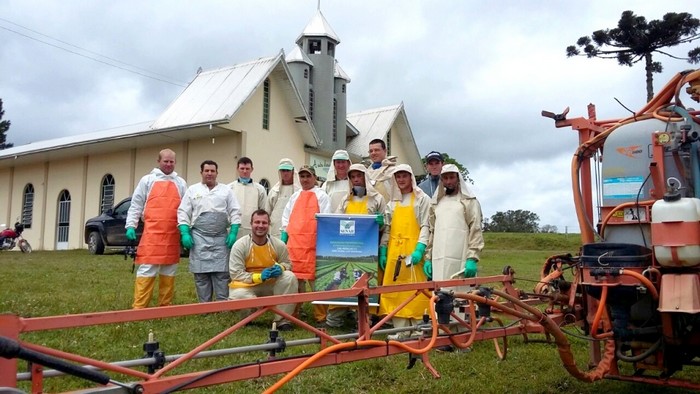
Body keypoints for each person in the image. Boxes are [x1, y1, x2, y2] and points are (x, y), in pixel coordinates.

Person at [326, 163, 387, 328]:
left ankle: (363, 320)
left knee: (366, 285)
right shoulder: (345, 200)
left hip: (368, 251)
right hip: (347, 249)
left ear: (365, 177)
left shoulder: (377, 199)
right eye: (352, 177)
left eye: (359, 176)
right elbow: (336, 221)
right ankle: (335, 318)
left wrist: (380, 223)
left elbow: (386, 225)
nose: (356, 180)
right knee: (342, 281)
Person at [126, 148, 187, 309]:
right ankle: (139, 307)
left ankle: (165, 305)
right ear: (158, 161)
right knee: (147, 268)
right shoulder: (147, 180)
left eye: (171, 161)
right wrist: (131, 225)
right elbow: (136, 204)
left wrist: (186, 231)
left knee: (169, 269)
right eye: (166, 161)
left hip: (173, 234)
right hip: (152, 234)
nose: (168, 164)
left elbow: (185, 208)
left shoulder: (180, 183)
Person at [378, 164, 431, 339]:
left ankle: (417, 329)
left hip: (414, 251)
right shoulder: (392, 203)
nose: (401, 180)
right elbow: (387, 227)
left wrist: (420, 249)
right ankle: (400, 331)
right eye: (398, 176)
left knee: (416, 289)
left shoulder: (422, 199)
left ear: (411, 178)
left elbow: (426, 226)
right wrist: (384, 250)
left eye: (404, 176)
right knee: (395, 290)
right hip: (395, 251)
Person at [177, 160, 242, 303]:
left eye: (212, 171)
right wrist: (185, 232)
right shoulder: (192, 190)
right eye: (206, 171)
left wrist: (233, 231)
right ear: (201, 173)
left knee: (222, 273)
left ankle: (222, 304)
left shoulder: (226, 190)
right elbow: (183, 212)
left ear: (217, 173)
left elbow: (235, 211)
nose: (209, 174)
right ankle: (204, 305)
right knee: (201, 274)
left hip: (221, 237)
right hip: (199, 237)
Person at [229, 209, 298, 331]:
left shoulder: (278, 244)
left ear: (269, 225)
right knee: (240, 295)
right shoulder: (240, 245)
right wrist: (258, 277)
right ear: (251, 224)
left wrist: (281, 267)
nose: (260, 226)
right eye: (257, 222)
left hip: (270, 284)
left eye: (264, 223)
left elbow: (287, 263)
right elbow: (235, 273)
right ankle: (247, 319)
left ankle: (282, 320)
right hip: (246, 285)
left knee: (289, 277)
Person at [281, 165, 332, 324]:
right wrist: (284, 239)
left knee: (317, 283)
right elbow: (285, 219)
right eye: (302, 176)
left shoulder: (322, 196)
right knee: (295, 282)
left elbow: (326, 219)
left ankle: (321, 316)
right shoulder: (294, 196)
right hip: (294, 246)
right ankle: (294, 312)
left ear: (314, 178)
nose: (305, 179)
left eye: (308, 176)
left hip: (314, 246)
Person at [424, 164, 484, 286]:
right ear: (441, 180)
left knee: (462, 296)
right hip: (438, 258)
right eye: (445, 178)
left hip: (461, 257)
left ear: (458, 178)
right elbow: (432, 231)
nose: (449, 181)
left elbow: (475, 230)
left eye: (452, 178)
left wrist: (472, 258)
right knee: (441, 296)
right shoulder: (436, 203)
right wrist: (428, 258)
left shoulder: (469, 201)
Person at [229, 157, 267, 240]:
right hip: (234, 230)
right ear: (237, 169)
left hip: (253, 230)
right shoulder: (229, 188)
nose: (245, 171)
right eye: (242, 168)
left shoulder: (259, 189)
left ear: (252, 169)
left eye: (247, 169)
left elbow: (263, 211)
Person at [265, 158, 301, 238]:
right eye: (283, 170)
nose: (285, 173)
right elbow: (267, 212)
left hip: (295, 232)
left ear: (293, 171)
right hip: (275, 231)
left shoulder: (299, 190)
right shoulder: (274, 191)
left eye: (288, 170)